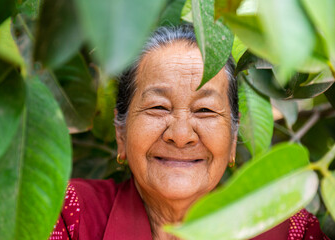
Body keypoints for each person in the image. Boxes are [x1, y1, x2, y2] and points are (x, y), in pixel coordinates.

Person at [49, 25, 329, 240]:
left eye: (205, 110)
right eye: (158, 107)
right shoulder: (67, 216)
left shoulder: (289, 231)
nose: (181, 135)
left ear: (233, 139)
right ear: (121, 132)